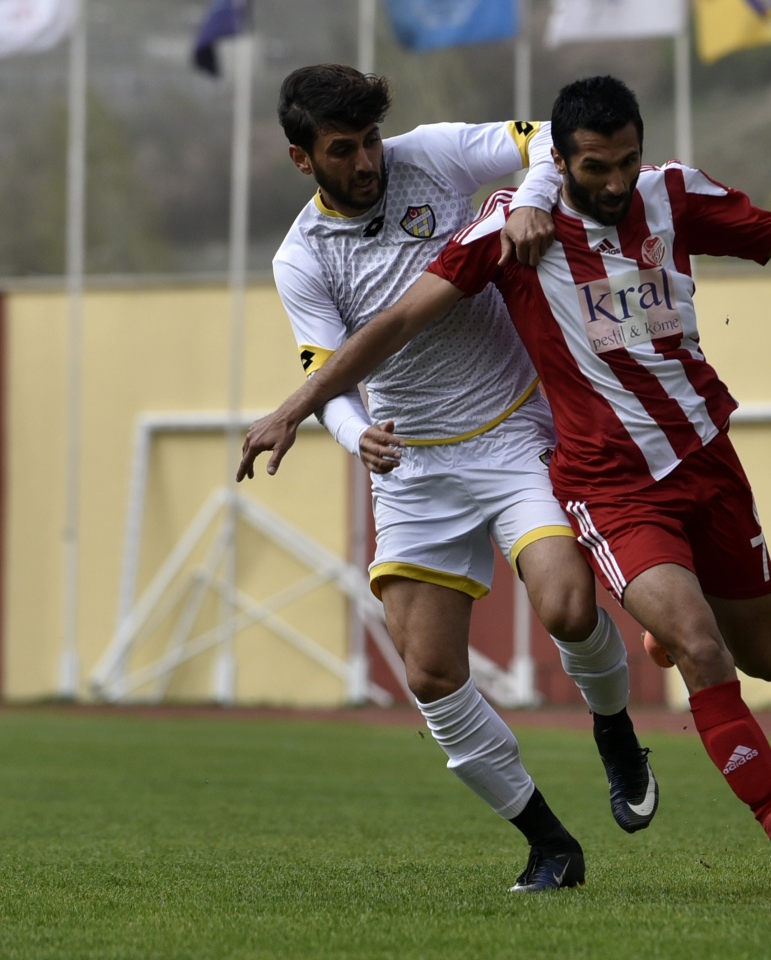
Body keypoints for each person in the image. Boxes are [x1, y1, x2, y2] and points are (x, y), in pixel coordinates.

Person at [239, 74, 771, 899]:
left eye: (626, 160)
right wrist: (301, 412)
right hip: (561, 477)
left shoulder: (664, 194)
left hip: (672, 453)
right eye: (597, 166)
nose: (616, 181)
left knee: (758, 658)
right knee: (476, 664)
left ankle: (637, 670)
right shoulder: (465, 241)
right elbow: (395, 324)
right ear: (303, 158)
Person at [252, 64, 659, 894]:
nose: (367, 162)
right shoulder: (300, 258)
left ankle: (614, 731)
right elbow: (324, 370)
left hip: (515, 430)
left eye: (370, 140)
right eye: (343, 149)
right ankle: (550, 844)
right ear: (303, 159)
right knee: (431, 673)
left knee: (568, 606)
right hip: (414, 464)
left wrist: (539, 195)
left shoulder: (432, 155)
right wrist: (353, 430)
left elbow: (546, 138)